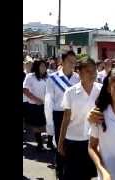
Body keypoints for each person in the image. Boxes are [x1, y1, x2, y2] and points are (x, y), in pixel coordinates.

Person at [58, 58, 100, 180]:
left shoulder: (101, 90)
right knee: (72, 175)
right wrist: (61, 142)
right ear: (80, 72)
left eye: (94, 71)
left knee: (88, 175)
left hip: (93, 140)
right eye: (88, 71)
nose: (92, 74)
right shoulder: (70, 92)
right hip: (73, 141)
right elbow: (66, 119)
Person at [44, 50, 80, 180]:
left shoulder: (77, 78)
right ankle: (60, 172)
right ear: (62, 62)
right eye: (70, 61)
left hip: (75, 115)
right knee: (61, 145)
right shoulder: (52, 78)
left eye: (74, 62)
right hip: (59, 115)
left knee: (73, 144)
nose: (73, 64)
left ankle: (71, 171)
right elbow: (48, 102)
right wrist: (49, 123)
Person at [23, 60, 48, 151]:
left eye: (45, 66)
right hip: (34, 105)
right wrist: (36, 99)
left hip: (46, 105)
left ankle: (49, 142)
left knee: (47, 124)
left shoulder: (47, 77)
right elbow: (25, 90)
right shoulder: (30, 76)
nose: (44, 68)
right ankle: (39, 143)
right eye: (41, 66)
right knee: (37, 125)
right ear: (37, 67)